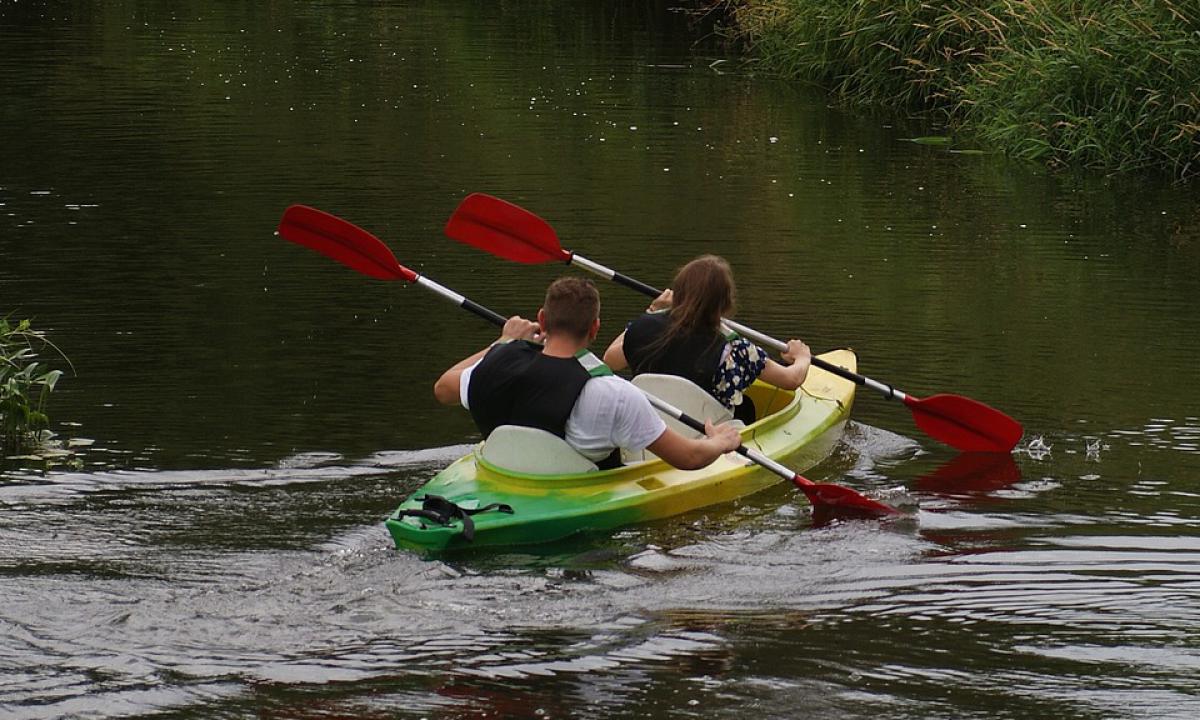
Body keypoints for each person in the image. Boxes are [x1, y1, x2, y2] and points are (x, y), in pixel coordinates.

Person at [433, 276, 741, 471]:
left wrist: (503, 342)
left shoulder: (496, 365)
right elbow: (688, 458)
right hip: (572, 497)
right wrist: (719, 442)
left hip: (505, 477)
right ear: (595, 328)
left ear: (542, 318)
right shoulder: (614, 393)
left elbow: (443, 388)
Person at [602, 255, 812, 424]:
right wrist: (802, 356)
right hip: (707, 438)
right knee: (745, 406)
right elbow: (791, 380)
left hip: (653, 433)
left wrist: (652, 312)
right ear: (725, 303)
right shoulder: (735, 348)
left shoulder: (641, 328)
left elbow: (611, 360)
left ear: (678, 292)